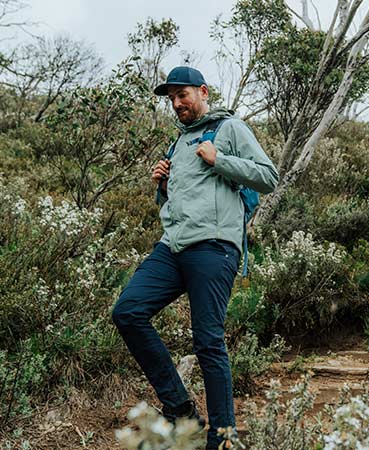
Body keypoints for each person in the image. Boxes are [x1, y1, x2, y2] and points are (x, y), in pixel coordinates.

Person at [111, 66, 278, 449]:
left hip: (214, 246)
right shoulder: (177, 144)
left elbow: (268, 177)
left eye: (182, 95)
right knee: (128, 311)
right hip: (173, 246)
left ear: (202, 92)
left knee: (207, 342)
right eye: (171, 98)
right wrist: (164, 185)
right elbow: (177, 203)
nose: (177, 103)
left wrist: (219, 158)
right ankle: (181, 410)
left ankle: (222, 438)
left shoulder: (229, 129)